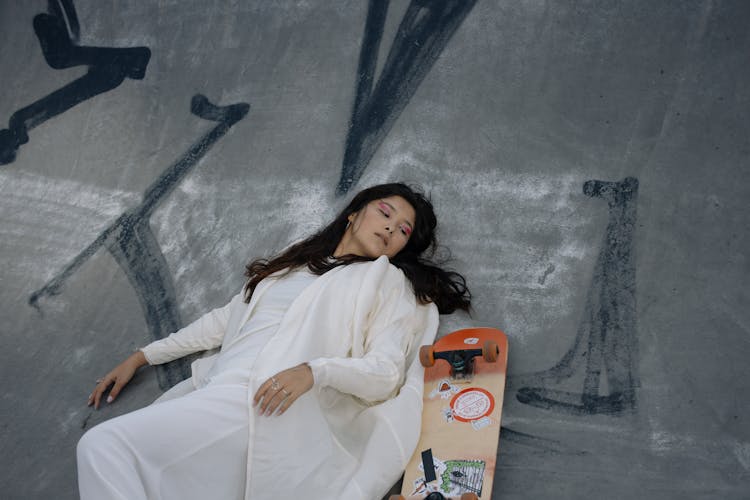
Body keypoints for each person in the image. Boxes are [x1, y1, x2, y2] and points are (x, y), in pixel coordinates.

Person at [77, 182, 471, 500]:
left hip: (267, 402)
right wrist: (144, 356)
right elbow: (225, 321)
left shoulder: (384, 282)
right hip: (219, 394)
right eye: (385, 212)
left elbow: (384, 372)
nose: (390, 227)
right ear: (353, 213)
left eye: (402, 229)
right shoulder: (291, 267)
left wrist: (314, 372)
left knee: (103, 446)